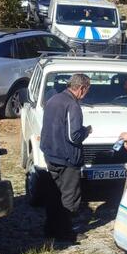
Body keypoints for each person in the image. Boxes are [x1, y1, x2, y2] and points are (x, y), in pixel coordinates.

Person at [40, 73, 92, 243]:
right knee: (70, 196)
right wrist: (86, 131)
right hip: (67, 157)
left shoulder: (53, 99)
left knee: (54, 194)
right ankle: (66, 232)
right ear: (82, 88)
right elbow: (74, 136)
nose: (86, 94)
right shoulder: (73, 105)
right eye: (87, 90)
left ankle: (50, 229)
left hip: (51, 154)